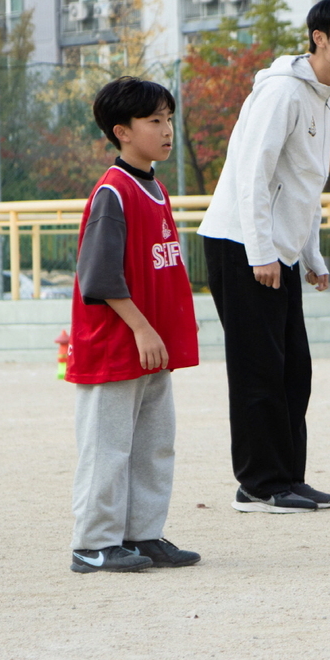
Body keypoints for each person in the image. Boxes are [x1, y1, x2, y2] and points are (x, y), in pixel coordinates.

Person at [198, 0, 330, 513]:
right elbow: (253, 172)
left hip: (278, 251)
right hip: (243, 245)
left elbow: (303, 185)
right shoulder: (281, 93)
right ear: (319, 37)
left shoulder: (323, 96)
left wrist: (310, 255)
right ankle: (258, 484)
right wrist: (262, 251)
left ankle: (287, 478)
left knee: (294, 368)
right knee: (258, 370)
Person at [67, 76, 200, 573]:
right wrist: (143, 328)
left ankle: (142, 534)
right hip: (116, 346)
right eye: (154, 121)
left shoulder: (155, 187)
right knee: (107, 448)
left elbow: (160, 268)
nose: (167, 130)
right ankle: (93, 543)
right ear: (122, 131)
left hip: (151, 347)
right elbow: (98, 276)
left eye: (169, 119)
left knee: (152, 444)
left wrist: (171, 327)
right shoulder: (114, 192)